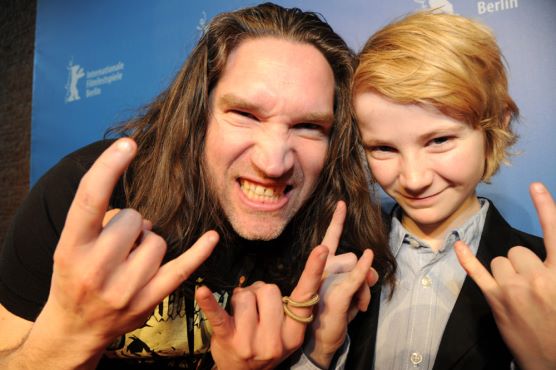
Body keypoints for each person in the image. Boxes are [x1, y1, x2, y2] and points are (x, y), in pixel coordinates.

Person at [0, 3, 396, 370]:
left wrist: (318, 350)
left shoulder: (336, 248)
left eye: (309, 126)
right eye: (244, 114)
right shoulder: (85, 195)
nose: (274, 162)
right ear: (197, 115)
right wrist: (72, 335)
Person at [343, 10, 554, 370]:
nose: (413, 178)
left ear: (494, 126)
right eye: (383, 148)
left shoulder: (542, 279)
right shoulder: (341, 257)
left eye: (439, 140)